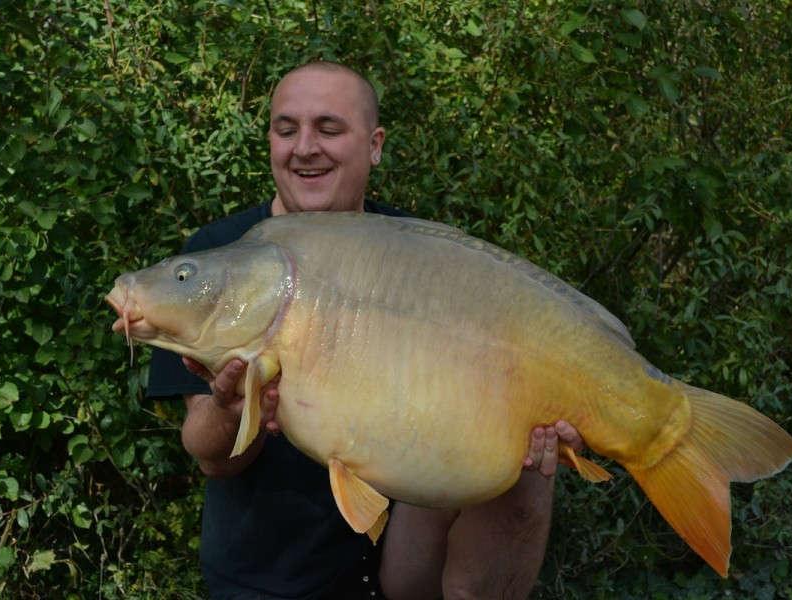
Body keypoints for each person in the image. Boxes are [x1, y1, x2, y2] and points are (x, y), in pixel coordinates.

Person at [147, 60, 585, 600]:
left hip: (404, 565)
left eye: (328, 129)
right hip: (269, 580)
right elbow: (210, 456)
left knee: (531, 462)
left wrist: (547, 411)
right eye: (286, 130)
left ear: (374, 145)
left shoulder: (417, 250)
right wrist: (234, 408)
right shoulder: (220, 256)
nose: (305, 147)